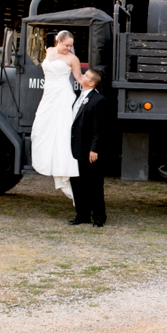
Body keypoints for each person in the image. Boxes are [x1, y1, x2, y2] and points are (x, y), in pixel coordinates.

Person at [31, 30, 83, 201]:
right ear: (58, 41)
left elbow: (78, 78)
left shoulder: (72, 59)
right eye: (66, 45)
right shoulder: (49, 52)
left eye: (71, 45)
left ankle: (64, 170)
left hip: (62, 95)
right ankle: (48, 162)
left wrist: (91, 85)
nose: (69, 48)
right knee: (41, 129)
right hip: (48, 96)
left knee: (61, 133)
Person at [69, 68, 107, 227]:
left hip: (89, 149)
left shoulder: (98, 100)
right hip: (76, 146)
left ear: (91, 83)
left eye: (86, 75)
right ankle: (82, 214)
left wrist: (94, 149)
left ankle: (99, 216)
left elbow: (99, 128)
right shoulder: (78, 97)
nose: (82, 76)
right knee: (77, 182)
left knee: (94, 184)